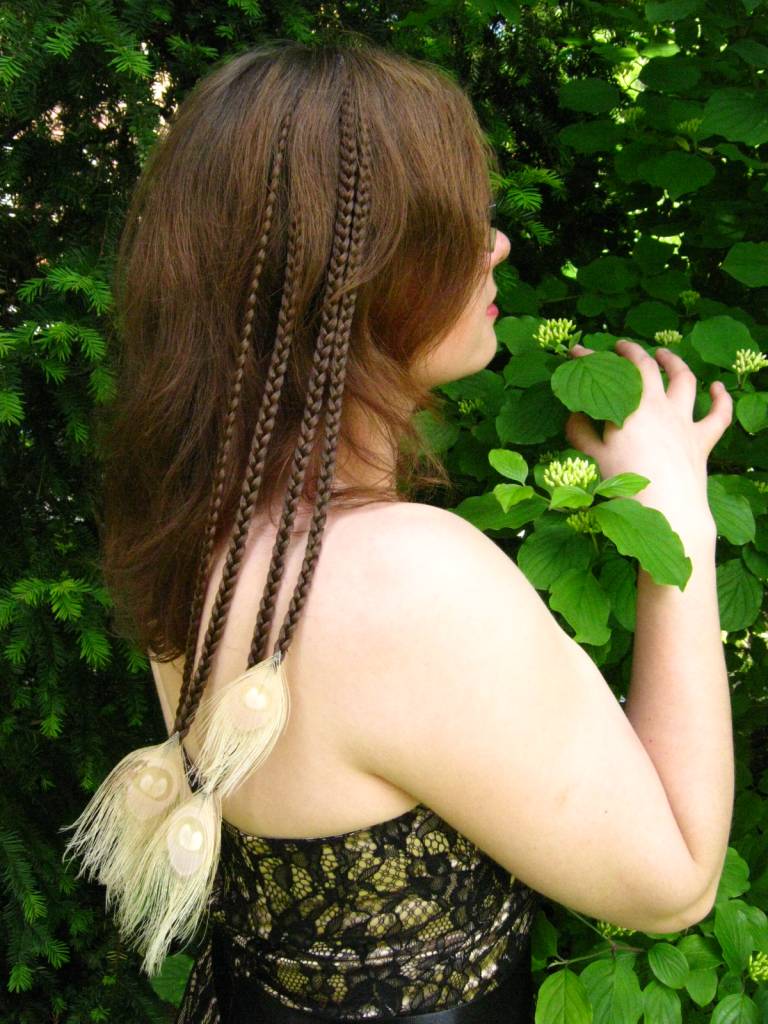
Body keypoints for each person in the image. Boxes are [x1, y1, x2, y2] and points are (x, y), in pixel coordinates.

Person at [65, 34, 734, 1024]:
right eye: (454, 224)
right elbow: (674, 881)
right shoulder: (406, 579)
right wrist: (674, 512)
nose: (496, 244)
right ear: (362, 275)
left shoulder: (202, 527)